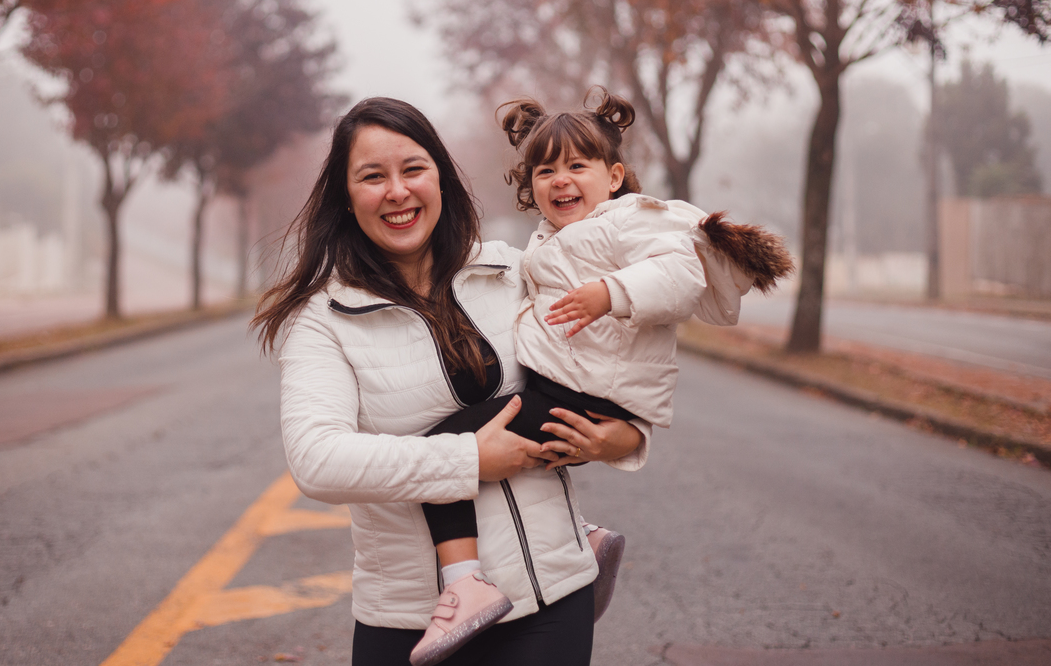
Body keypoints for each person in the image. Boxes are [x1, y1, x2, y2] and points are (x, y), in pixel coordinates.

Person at [406, 86, 794, 665]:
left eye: (577, 166)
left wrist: (611, 293)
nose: (560, 179)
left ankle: (464, 584)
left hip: (585, 395)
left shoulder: (625, 221)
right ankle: (583, 536)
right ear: (529, 186)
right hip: (568, 388)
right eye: (544, 170)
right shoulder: (550, 240)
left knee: (446, 448)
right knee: (500, 451)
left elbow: (682, 272)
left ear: (613, 177)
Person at [254, 96, 647, 666]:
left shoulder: (513, 270)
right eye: (372, 176)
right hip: (411, 619)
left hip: (550, 597)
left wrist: (627, 439)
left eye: (413, 169)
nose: (397, 191)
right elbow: (317, 459)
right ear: (346, 195)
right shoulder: (321, 318)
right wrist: (468, 461)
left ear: (441, 177)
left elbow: (606, 365)